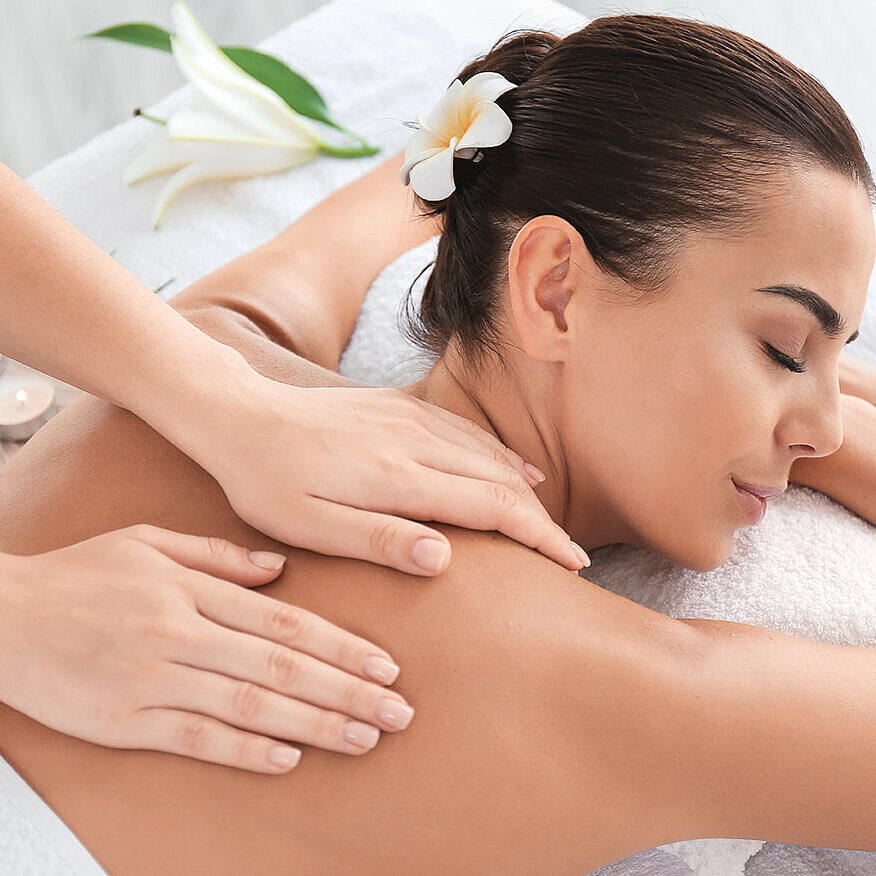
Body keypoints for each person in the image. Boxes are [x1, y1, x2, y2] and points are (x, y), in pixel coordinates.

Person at [0, 13, 875, 874]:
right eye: (783, 348)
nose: (828, 427)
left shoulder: (209, 360)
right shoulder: (586, 687)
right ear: (555, 289)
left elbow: (355, 227)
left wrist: (512, 156)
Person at [0, 150, 587, 770]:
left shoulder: (223, 343)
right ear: (551, 289)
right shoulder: (583, 658)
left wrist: (232, 404)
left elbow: (439, 174)